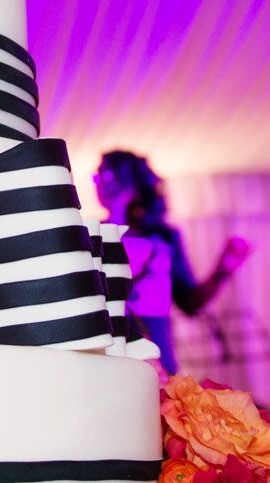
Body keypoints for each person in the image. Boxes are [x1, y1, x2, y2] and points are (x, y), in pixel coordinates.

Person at [92, 150, 251, 373]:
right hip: (110, 347)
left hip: (157, 346)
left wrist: (222, 270)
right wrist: (118, 210)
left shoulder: (164, 239)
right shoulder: (92, 235)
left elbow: (189, 303)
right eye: (99, 177)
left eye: (110, 176)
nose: (103, 185)